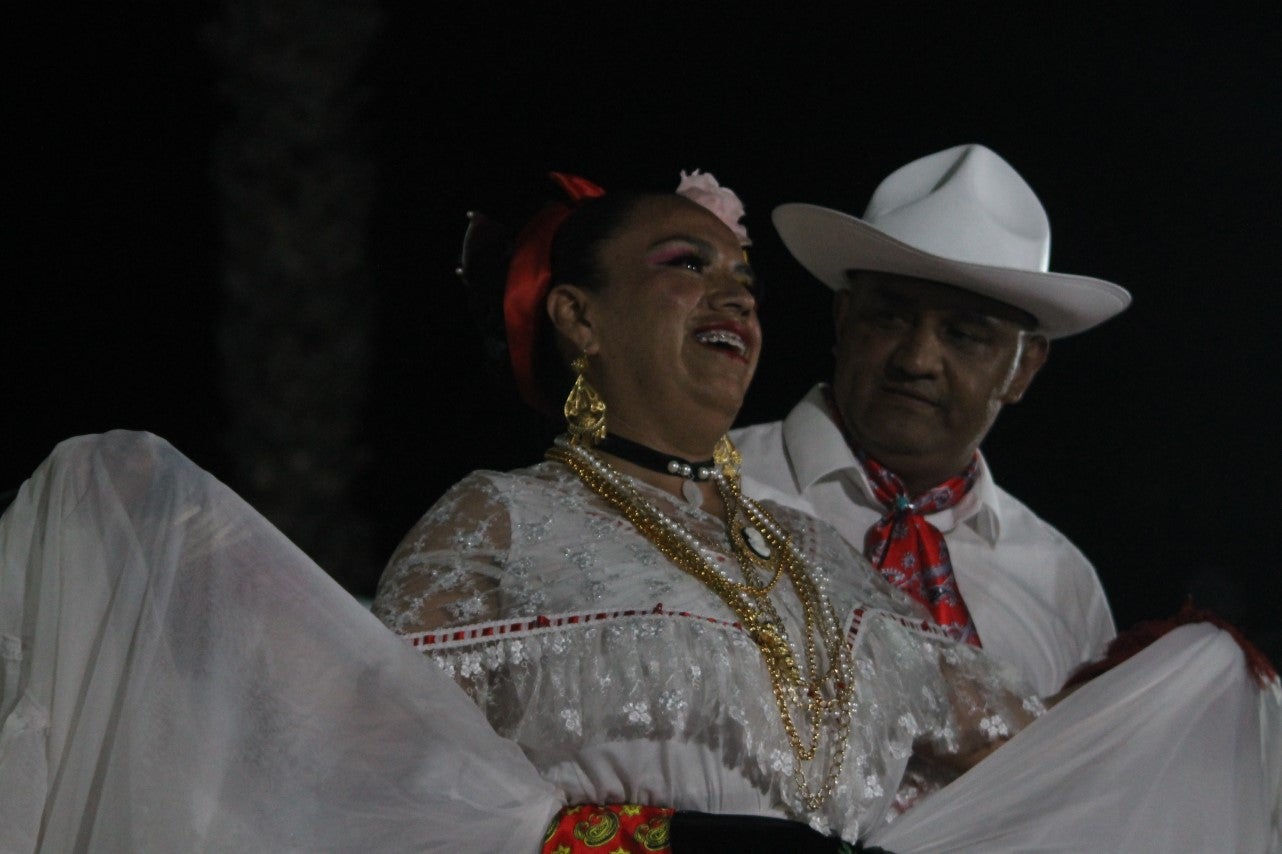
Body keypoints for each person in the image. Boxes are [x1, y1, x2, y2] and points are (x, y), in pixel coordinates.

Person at [1, 172, 1276, 852]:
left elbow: (1031, 762)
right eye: (685, 266)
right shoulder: (496, 521)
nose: (735, 295)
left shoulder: (822, 566)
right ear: (577, 315)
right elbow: (367, 771)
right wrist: (637, 844)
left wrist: (1184, 680)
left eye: (742, 275)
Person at [733, 144, 1130, 696]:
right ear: (843, 318)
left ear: (1024, 369)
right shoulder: (706, 488)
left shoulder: (1064, 585)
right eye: (890, 316)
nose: (916, 360)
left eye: (964, 335)